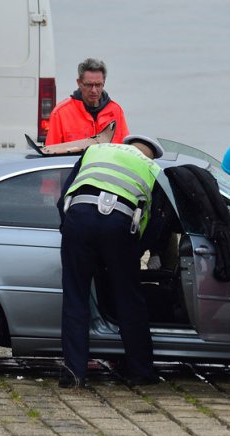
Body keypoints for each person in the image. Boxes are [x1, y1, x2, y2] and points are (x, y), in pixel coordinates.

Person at [57, 134, 164, 388]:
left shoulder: (95, 152)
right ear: (150, 154)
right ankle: (140, 371)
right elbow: (154, 222)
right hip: (119, 224)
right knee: (128, 297)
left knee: (75, 297)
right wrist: (133, 252)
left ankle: (74, 373)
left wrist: (69, 231)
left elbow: (64, 197)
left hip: (79, 217)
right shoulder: (151, 168)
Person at [46, 58, 129, 145]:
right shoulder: (60, 114)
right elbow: (50, 154)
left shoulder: (116, 111)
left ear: (104, 83)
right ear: (79, 83)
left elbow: (126, 149)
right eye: (89, 85)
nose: (94, 90)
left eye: (98, 85)